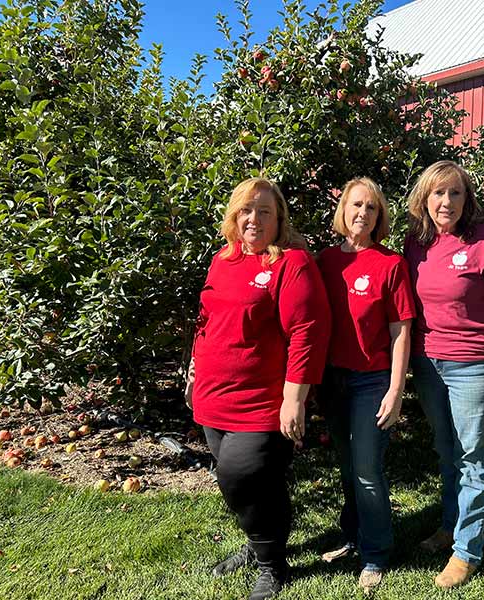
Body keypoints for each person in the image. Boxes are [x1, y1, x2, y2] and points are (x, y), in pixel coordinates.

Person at [185, 177, 331, 600]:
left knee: (240, 475)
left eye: (264, 211)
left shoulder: (291, 264)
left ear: (278, 219)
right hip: (213, 392)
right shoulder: (222, 259)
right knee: (254, 484)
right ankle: (258, 546)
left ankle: (271, 564)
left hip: (262, 399)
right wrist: (195, 364)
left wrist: (295, 399)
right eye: (247, 210)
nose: (254, 219)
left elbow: (307, 333)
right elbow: (207, 317)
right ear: (234, 215)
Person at [404, 160, 484, 589]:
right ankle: (452, 526)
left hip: (474, 364)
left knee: (474, 459)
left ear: (466, 199)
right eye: (437, 193)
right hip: (429, 363)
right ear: (424, 199)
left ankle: (468, 550)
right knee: (446, 450)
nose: (446, 202)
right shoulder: (417, 245)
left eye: (455, 193)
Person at [316, 177, 415, 594]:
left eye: (371, 208)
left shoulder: (389, 264)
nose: (363, 213)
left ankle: (376, 552)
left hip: (372, 380)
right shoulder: (324, 260)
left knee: (367, 469)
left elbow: (401, 332)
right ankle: (352, 535)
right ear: (343, 210)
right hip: (331, 380)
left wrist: (396, 390)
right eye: (356, 205)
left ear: (380, 217)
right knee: (346, 466)